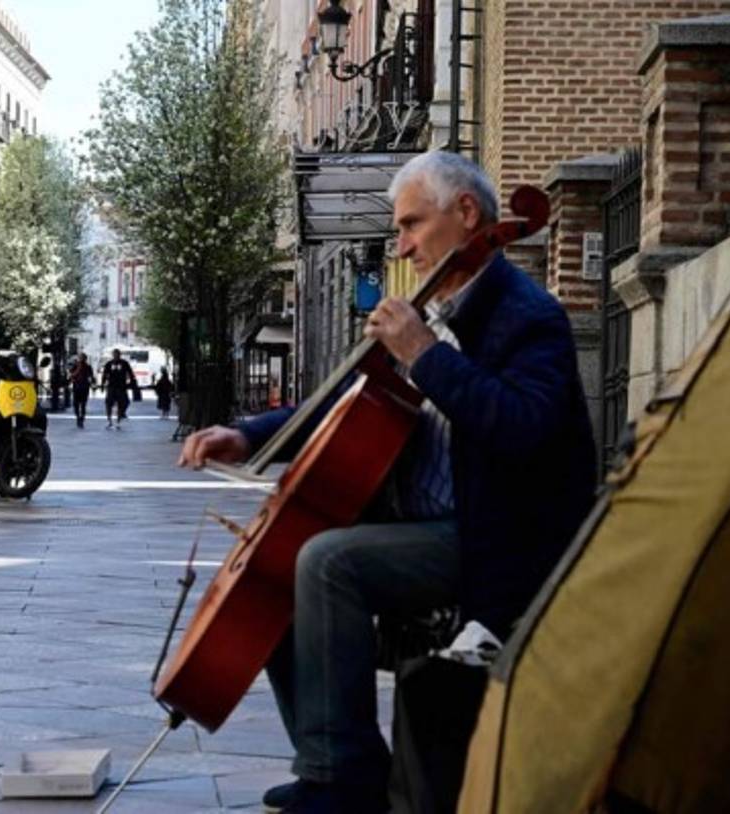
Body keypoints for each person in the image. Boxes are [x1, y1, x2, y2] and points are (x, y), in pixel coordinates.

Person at [178, 152, 596, 814]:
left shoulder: (526, 314)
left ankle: (343, 781)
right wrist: (251, 435)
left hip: (493, 535)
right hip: (419, 520)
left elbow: (525, 427)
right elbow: (342, 398)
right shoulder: (433, 308)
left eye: (412, 224)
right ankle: (330, 761)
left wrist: (424, 356)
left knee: (328, 561)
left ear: (466, 214)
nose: (401, 246)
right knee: (279, 563)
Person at [100, 348, 136, 430]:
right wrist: (102, 384)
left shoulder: (124, 363)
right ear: (112, 355)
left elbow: (130, 373)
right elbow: (104, 374)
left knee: (123, 403)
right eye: (114, 354)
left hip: (121, 386)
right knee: (109, 404)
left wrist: (132, 382)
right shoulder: (109, 364)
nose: (116, 355)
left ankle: (118, 420)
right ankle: (109, 421)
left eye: (117, 354)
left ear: (120, 355)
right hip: (111, 386)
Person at [69, 352, 95, 428]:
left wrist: (92, 384)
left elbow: (91, 376)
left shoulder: (88, 367)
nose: (81, 359)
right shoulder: (75, 366)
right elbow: (71, 375)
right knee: (76, 404)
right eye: (80, 358)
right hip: (76, 387)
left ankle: (82, 418)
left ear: (85, 359)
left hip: (84, 387)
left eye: (83, 358)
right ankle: (78, 417)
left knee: (83, 404)